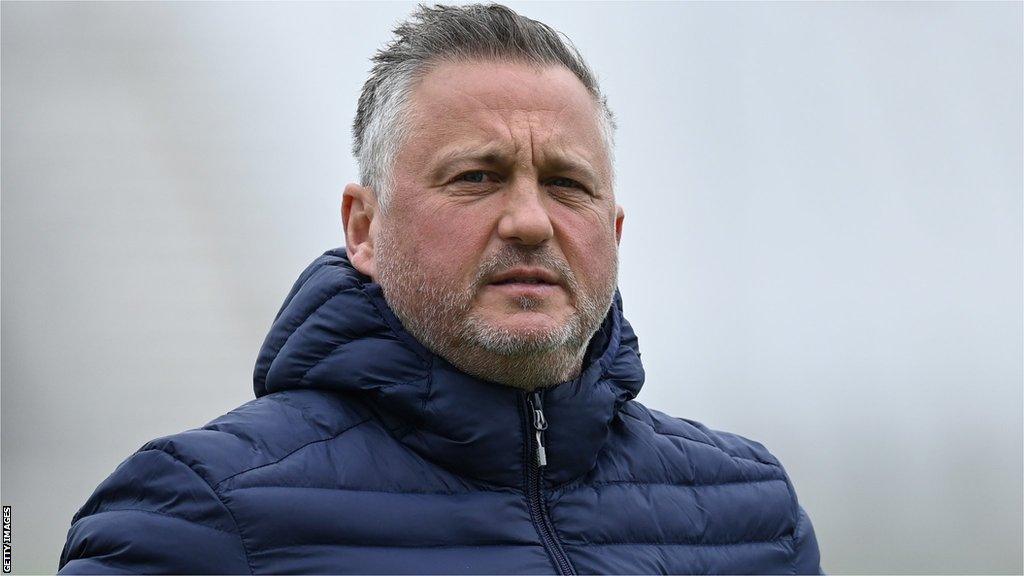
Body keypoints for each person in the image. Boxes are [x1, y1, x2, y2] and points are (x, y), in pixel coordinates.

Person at [58, 3, 823, 574]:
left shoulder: (751, 518)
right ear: (363, 228)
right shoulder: (196, 515)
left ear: (614, 234)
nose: (529, 221)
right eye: (477, 177)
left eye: (566, 184)